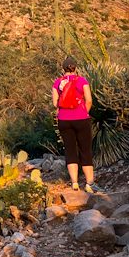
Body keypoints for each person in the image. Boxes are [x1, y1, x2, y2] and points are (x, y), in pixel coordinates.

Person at [53, 56, 97, 192]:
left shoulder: (57, 83)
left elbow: (55, 103)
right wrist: (84, 112)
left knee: (70, 150)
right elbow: (89, 100)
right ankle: (89, 184)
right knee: (85, 150)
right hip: (81, 118)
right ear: (75, 67)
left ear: (63, 68)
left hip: (64, 120)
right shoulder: (82, 81)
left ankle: (75, 183)